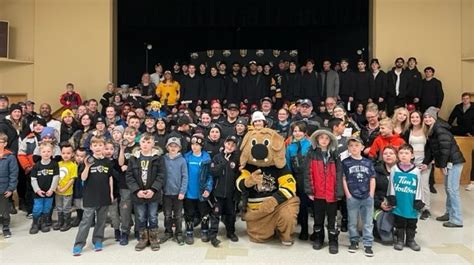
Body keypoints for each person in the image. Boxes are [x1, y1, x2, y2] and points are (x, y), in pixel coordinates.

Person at [422, 107, 465, 228]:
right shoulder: (431, 130)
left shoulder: (440, 128)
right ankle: (449, 213)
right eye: (425, 117)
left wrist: (442, 164)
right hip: (449, 161)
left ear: (435, 118)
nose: (427, 119)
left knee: (452, 190)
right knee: (448, 189)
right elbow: (431, 150)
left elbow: (445, 148)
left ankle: (457, 219)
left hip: (453, 162)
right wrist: (426, 162)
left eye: (430, 117)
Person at [72, 136, 114, 256]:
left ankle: (98, 240)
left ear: (104, 147)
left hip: (104, 195)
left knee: (101, 220)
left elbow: (110, 178)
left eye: (100, 145)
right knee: (86, 221)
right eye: (95, 145)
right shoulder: (87, 161)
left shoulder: (107, 161)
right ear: (91, 147)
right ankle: (79, 244)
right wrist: (87, 166)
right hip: (90, 196)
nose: (98, 148)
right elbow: (83, 178)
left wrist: (111, 193)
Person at [304, 129, 343, 254]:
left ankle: (333, 240)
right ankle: (319, 238)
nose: (324, 140)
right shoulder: (311, 153)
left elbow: (339, 173)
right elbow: (307, 173)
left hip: (331, 193)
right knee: (318, 217)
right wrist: (310, 190)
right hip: (318, 192)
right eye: (321, 138)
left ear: (330, 140)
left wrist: (339, 192)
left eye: (327, 138)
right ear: (317, 140)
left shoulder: (335, 155)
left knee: (332, 219)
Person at [126, 133, 165, 251]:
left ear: (153, 144)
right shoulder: (133, 158)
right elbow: (129, 176)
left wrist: (153, 189)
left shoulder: (158, 158)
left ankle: (153, 238)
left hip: (153, 194)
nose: (146, 145)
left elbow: (161, 175)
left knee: (153, 216)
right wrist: (137, 190)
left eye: (149, 142)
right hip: (139, 194)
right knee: (141, 216)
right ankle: (143, 238)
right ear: (139, 143)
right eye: (143, 142)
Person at [342, 136, 376, 257]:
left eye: (356, 145)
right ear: (348, 148)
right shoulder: (345, 163)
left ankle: (368, 243)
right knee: (352, 221)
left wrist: (371, 194)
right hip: (352, 196)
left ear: (362, 147)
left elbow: (372, 178)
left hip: (367, 195)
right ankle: (354, 241)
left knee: (368, 221)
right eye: (351, 146)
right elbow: (344, 179)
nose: (354, 148)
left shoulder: (368, 162)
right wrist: (348, 195)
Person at [386, 144, 423, 251]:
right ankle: (400, 240)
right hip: (399, 201)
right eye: (401, 153)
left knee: (412, 222)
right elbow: (391, 184)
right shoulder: (394, 169)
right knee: (400, 222)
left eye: (406, 153)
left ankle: (410, 240)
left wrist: (418, 199)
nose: (403, 155)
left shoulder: (416, 170)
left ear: (412, 155)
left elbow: (419, 186)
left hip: (411, 201)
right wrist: (391, 197)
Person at [209, 135, 241, 247]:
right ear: (224, 144)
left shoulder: (236, 159)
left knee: (231, 214)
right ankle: (213, 236)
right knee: (215, 214)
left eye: (233, 145)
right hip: (218, 192)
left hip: (231, 193)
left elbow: (238, 176)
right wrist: (224, 163)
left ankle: (231, 232)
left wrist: (237, 192)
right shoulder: (217, 157)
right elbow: (213, 172)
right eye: (228, 144)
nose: (230, 146)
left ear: (235, 147)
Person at [183, 133, 213, 245]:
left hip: (201, 192)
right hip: (189, 192)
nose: (194, 147)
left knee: (204, 212)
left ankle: (205, 230)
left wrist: (208, 189)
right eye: (192, 144)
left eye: (197, 144)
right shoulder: (186, 158)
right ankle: (189, 232)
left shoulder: (206, 158)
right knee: (189, 213)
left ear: (201, 146)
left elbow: (210, 176)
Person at [402, 111, 432, 220]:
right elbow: (405, 147)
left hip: (424, 162)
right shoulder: (407, 131)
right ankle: (414, 205)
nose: (414, 119)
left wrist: (426, 163)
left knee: (424, 185)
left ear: (421, 118)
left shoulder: (427, 130)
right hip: (411, 162)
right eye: (412, 117)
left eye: (417, 117)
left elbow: (430, 148)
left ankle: (426, 209)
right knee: (412, 186)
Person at [161, 137, 188, 245]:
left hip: (178, 194)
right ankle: (168, 232)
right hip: (166, 192)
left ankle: (179, 233)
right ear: (167, 147)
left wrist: (182, 191)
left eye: (175, 146)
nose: (173, 148)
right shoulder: (163, 159)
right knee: (167, 214)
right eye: (171, 146)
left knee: (178, 215)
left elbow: (185, 177)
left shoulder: (182, 160)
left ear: (179, 148)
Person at [29, 142, 59, 234]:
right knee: (37, 207)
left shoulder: (54, 164)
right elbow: (33, 179)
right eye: (44, 151)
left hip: (49, 192)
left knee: (47, 207)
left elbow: (56, 177)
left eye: (48, 151)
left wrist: (52, 189)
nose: (46, 153)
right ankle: (35, 223)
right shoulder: (36, 166)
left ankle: (44, 222)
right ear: (40, 153)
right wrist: (37, 190)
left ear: (52, 153)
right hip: (38, 193)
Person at [373, 146, 396, 244]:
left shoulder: (402, 171)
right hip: (380, 203)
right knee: (384, 237)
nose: (388, 155)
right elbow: (371, 192)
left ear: (397, 156)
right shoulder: (375, 170)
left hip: (398, 204)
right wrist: (379, 203)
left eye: (391, 153)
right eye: (385, 153)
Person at [53, 143, 77, 232]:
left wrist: (64, 188)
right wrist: (57, 187)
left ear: (72, 154)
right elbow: (55, 176)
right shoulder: (58, 164)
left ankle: (67, 222)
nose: (65, 155)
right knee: (59, 206)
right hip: (57, 190)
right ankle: (60, 221)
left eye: (68, 153)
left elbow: (72, 179)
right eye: (63, 153)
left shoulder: (73, 165)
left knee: (66, 207)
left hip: (67, 191)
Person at [0, 132, 18, 238]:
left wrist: (11, 188)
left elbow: (13, 174)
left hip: (4, 189)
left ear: (5, 143)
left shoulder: (10, 157)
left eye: (0, 142)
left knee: (4, 211)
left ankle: (6, 228)